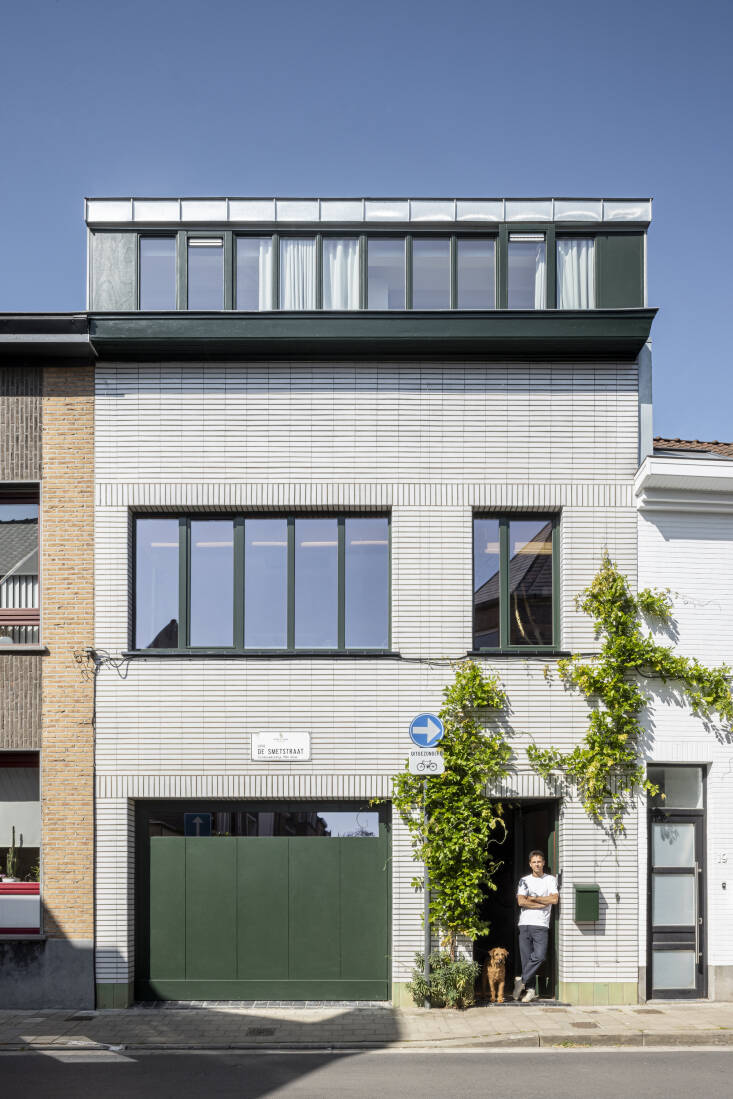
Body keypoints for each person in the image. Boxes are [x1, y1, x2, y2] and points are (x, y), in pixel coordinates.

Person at [514, 849, 558, 1003]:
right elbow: (521, 902)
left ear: (544, 863)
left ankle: (522, 980)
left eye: (539, 861)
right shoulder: (524, 880)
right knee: (527, 959)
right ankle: (530, 990)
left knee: (539, 956)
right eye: (534, 862)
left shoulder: (550, 880)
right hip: (525, 923)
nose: (537, 864)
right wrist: (541, 903)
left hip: (541, 924)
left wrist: (533, 899)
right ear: (530, 864)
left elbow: (553, 900)